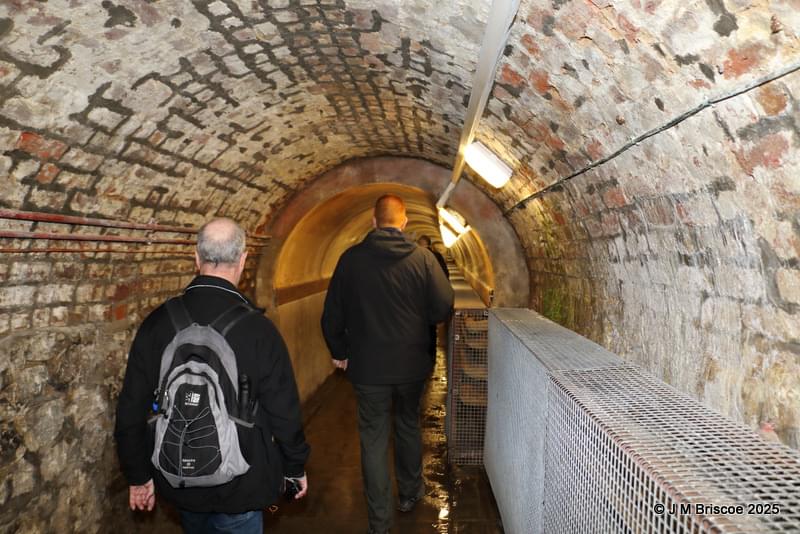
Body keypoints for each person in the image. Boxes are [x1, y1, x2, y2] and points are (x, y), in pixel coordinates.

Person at [114, 217, 310, 533]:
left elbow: (131, 407)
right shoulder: (259, 330)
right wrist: (294, 465)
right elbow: (284, 410)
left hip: (180, 480)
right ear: (243, 260)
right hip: (241, 483)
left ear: (197, 257)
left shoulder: (158, 323)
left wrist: (138, 475)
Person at [321, 195, 454, 534]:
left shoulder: (350, 260)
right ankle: (410, 493)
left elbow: (332, 314)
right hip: (412, 365)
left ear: (372, 220)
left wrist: (339, 349)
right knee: (408, 423)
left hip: (367, 367)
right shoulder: (424, 259)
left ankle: (380, 522)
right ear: (405, 221)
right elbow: (442, 309)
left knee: (374, 438)